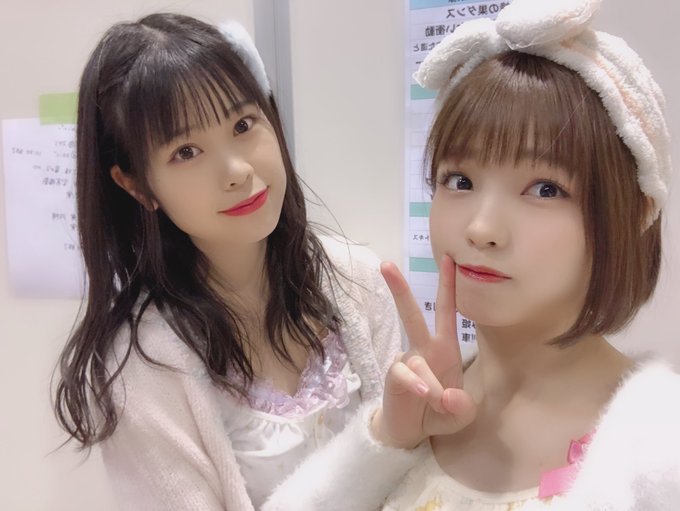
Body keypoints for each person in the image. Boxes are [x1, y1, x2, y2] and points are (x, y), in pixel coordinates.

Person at [263, 0, 680, 509]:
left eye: (545, 189)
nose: (481, 229)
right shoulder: (419, 403)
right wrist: (384, 438)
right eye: (459, 180)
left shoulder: (660, 443)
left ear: (631, 213)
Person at [52, 13, 401, 510]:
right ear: (137, 186)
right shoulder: (143, 366)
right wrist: (383, 437)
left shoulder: (357, 279)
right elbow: (395, 441)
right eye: (186, 151)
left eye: (242, 124)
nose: (237, 170)